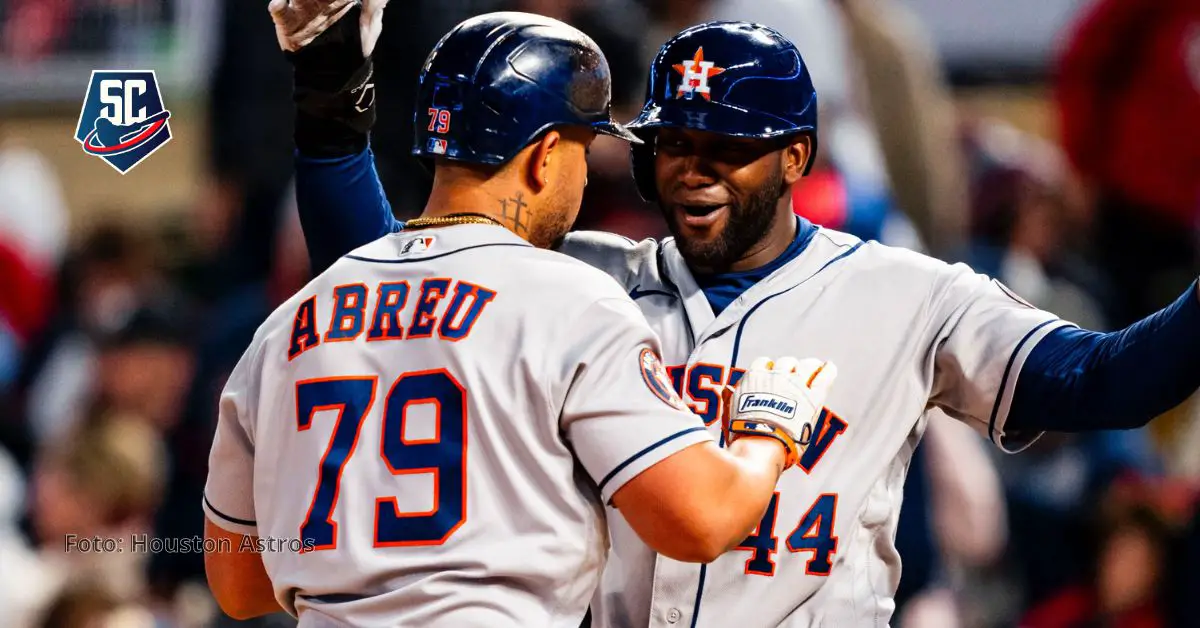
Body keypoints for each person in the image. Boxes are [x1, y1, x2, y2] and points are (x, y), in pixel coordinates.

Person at [278, 4, 1200, 627]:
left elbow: (1108, 380)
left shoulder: (909, 294)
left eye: (729, 148)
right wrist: (329, 112)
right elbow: (383, 287)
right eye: (674, 144)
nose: (693, 169)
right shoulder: (578, 282)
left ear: (797, 157)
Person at [203, 10, 838, 626]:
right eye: (584, 151)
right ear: (545, 155)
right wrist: (768, 432)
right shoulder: (570, 302)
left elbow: (237, 583)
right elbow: (701, 520)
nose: (584, 177)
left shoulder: (286, 324)